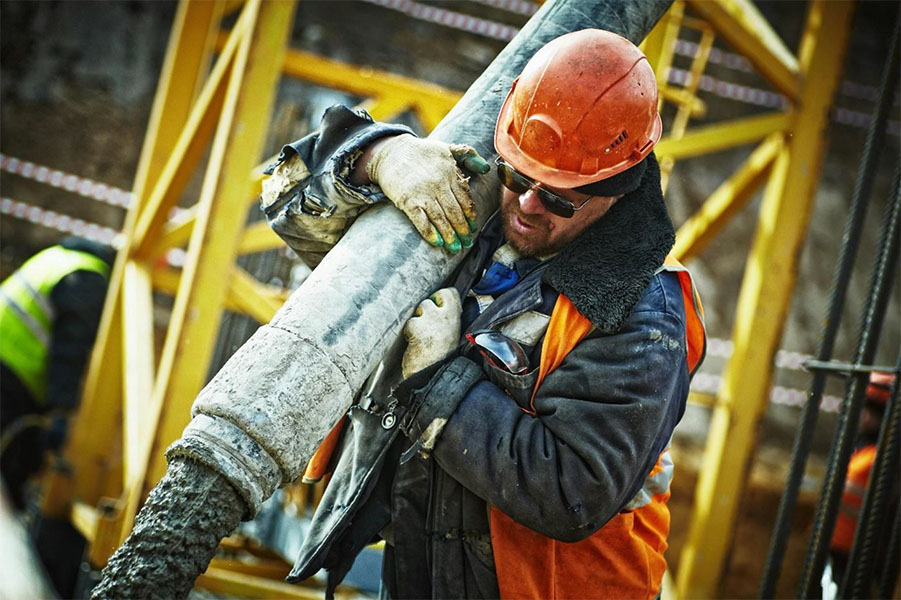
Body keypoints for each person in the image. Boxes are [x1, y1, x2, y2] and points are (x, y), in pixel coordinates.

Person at [262, 29, 706, 599]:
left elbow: (573, 490)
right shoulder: (478, 201)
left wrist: (438, 377)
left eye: (558, 198)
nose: (524, 206)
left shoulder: (645, 314)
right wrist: (375, 157)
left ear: (617, 189)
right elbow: (285, 204)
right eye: (520, 177)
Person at [0, 236, 114, 510]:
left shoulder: (58, 257)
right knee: (11, 466)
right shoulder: (89, 278)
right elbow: (70, 353)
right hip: (12, 374)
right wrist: (61, 411)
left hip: (9, 365)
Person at [825, 371, 896, 593]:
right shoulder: (861, 450)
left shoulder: (883, 458)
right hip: (836, 547)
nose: (864, 417)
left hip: (861, 554)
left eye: (873, 412)